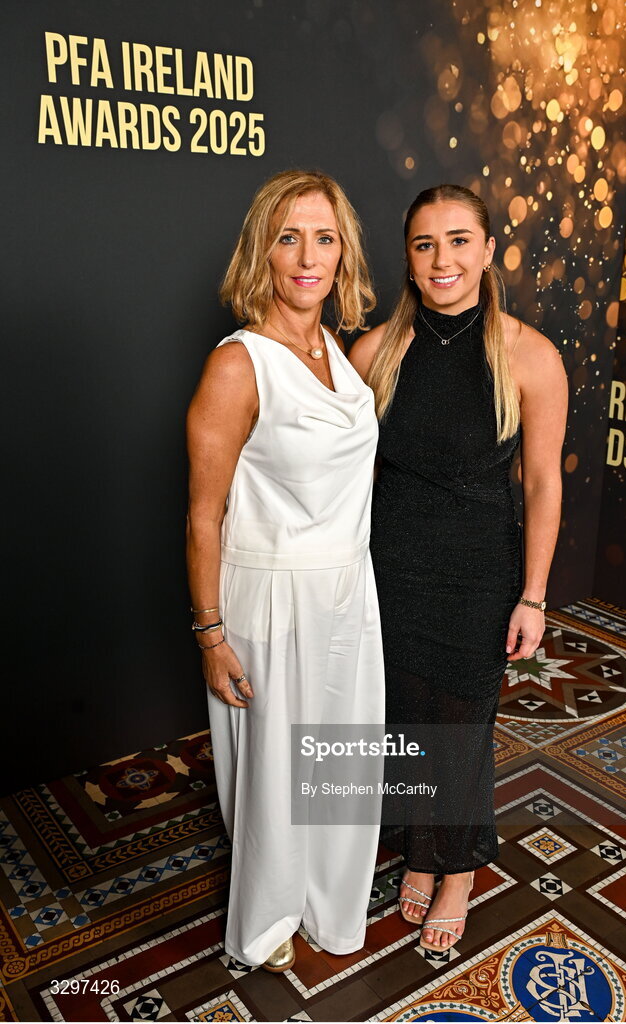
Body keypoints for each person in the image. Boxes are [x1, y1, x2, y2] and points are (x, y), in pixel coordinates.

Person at [350, 184, 568, 952]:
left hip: (480, 571)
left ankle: (457, 871)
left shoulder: (530, 355)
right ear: (408, 261)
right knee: (403, 719)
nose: (442, 259)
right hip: (390, 569)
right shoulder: (374, 352)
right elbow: (349, 480)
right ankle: (420, 848)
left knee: (462, 724)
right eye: (423, 244)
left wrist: (532, 597)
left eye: (457, 240)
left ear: (486, 250)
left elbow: (542, 483)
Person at [186, 170, 384, 970]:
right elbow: (204, 513)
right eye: (288, 237)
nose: (308, 256)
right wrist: (209, 634)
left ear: (344, 254)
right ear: (261, 249)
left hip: (346, 585)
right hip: (266, 593)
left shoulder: (336, 349)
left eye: (325, 238)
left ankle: (328, 905)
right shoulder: (238, 366)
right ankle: (266, 920)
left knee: (339, 757)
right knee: (273, 772)